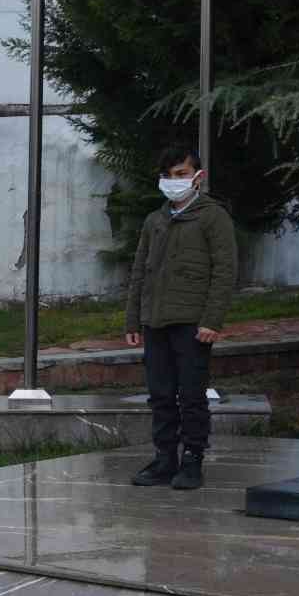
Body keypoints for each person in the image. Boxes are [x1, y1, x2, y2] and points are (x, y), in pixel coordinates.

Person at [124, 145, 237, 491]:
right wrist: (133, 320)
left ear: (198, 177)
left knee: (191, 394)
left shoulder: (212, 217)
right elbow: (140, 271)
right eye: (168, 176)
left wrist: (212, 320)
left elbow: (225, 271)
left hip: (192, 323)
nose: (174, 182)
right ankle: (164, 458)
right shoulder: (155, 221)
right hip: (155, 322)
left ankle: (192, 461)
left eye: (181, 174)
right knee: (160, 394)